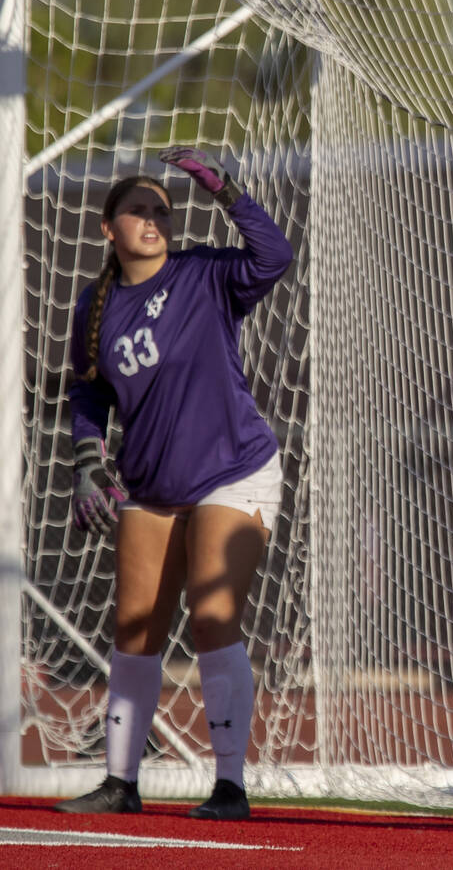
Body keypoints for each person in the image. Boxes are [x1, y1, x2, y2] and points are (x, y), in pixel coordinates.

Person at [53, 148, 294, 820]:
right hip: (152, 481)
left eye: (162, 209)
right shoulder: (94, 307)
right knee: (134, 628)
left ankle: (230, 786)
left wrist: (229, 193)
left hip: (232, 467)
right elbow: (87, 392)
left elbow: (274, 256)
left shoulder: (204, 273)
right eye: (138, 209)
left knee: (213, 614)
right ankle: (120, 782)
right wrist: (86, 460)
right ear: (109, 228)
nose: (153, 219)